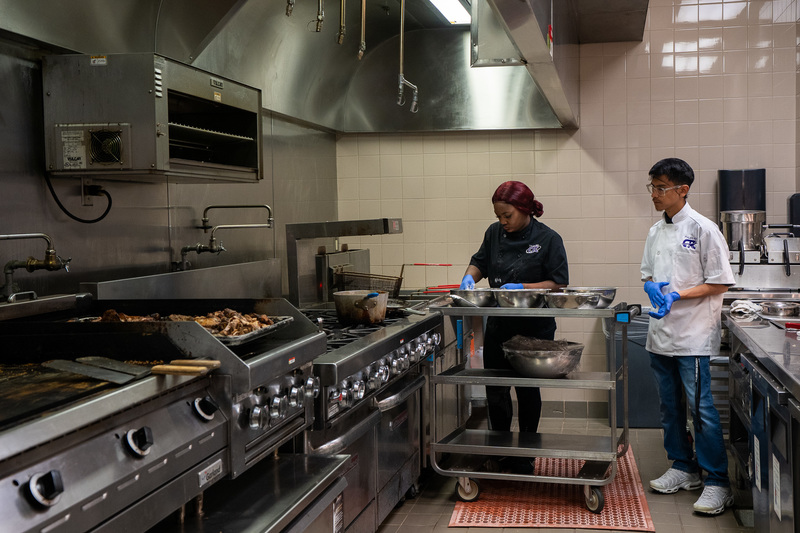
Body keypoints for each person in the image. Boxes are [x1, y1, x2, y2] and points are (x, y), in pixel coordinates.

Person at [640, 158, 735, 515]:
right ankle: (683, 466)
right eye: (652, 186)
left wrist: (678, 295)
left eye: (661, 187)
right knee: (670, 407)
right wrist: (652, 288)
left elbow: (720, 281)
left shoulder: (703, 229)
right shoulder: (654, 232)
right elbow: (647, 274)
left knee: (701, 410)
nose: (655, 194)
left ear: (683, 190)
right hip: (660, 333)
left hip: (693, 336)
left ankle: (717, 482)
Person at [460, 180, 568, 474]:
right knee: (496, 389)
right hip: (499, 324)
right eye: (498, 216)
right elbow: (479, 261)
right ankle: (501, 449)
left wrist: (524, 287)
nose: (502, 221)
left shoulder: (548, 239)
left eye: (507, 215)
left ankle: (527, 453)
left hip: (534, 329)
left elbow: (558, 283)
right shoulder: (494, 233)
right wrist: (469, 276)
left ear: (524, 210)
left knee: (527, 390)